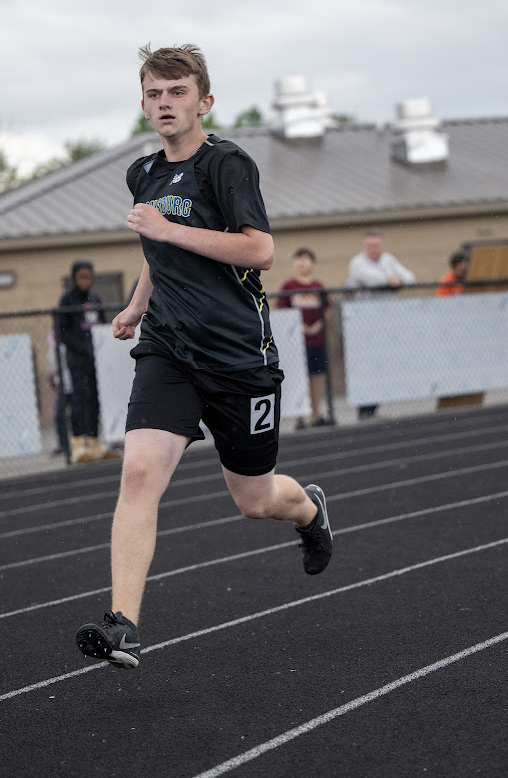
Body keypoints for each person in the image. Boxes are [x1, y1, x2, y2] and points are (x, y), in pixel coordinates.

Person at [75, 44, 333, 669]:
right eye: (154, 94)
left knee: (255, 498)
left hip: (240, 356)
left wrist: (166, 230)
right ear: (143, 104)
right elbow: (159, 254)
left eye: (177, 92)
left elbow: (259, 250)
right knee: (138, 473)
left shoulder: (229, 166)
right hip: (169, 348)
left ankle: (310, 509)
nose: (165, 104)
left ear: (203, 101)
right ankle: (124, 625)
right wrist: (139, 305)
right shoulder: (144, 173)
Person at [346, 230, 416, 419]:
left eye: (376, 245)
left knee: (384, 365)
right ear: (364, 247)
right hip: (365, 325)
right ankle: (364, 410)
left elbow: (410, 277)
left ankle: (374, 408)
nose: (373, 249)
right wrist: (390, 280)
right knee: (367, 367)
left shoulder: (388, 260)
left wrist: (398, 280)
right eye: (370, 246)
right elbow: (371, 279)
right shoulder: (357, 262)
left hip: (388, 324)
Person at [58, 261, 120, 463]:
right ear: (74, 278)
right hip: (77, 361)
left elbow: (101, 325)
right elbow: (63, 332)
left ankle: (93, 443)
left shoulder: (95, 299)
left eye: (88, 276)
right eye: (81, 277)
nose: (85, 281)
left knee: (94, 400)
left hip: (96, 360)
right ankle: (78, 444)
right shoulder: (68, 300)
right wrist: (83, 349)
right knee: (79, 400)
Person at [276, 248, 332, 429]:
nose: (301, 263)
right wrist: (297, 326)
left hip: (316, 342)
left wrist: (318, 325)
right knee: (298, 379)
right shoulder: (288, 287)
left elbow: (328, 310)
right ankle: (300, 416)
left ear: (313, 264)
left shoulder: (318, 287)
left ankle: (316, 414)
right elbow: (280, 311)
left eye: (305, 260)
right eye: (297, 260)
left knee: (316, 378)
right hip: (295, 345)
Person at [47, 327, 73, 456]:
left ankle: (77, 442)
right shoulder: (53, 347)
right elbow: (51, 368)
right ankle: (63, 444)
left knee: (76, 414)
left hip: (72, 383)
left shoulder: (69, 344)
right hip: (62, 386)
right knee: (59, 416)